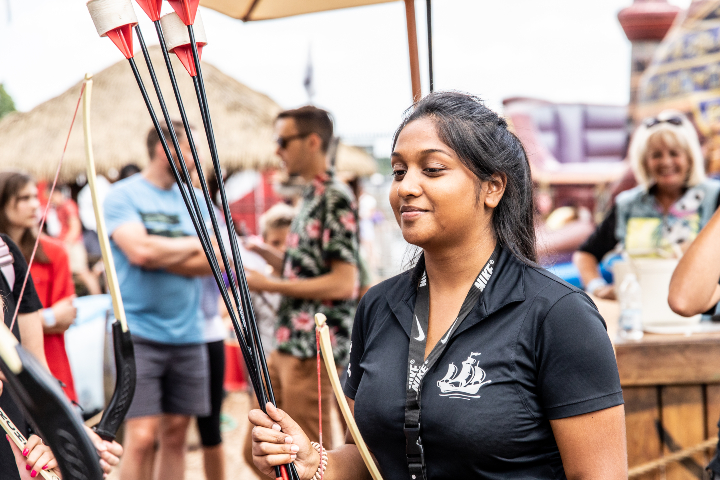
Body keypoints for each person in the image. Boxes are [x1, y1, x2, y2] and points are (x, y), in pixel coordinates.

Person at [249, 92, 627, 479]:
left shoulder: (559, 314)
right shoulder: (378, 306)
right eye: (398, 171)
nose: (405, 187)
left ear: (492, 187)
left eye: (432, 169)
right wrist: (314, 462)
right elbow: (366, 457)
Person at [243, 106, 360, 477]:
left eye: (283, 141)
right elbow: (308, 272)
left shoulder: (335, 196)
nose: (277, 150)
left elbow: (344, 282)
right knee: (259, 455)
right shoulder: (311, 195)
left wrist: (268, 282)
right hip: (288, 344)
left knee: (305, 461)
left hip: (312, 349)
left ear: (312, 142)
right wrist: (265, 254)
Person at [104, 120, 218, 480]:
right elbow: (138, 252)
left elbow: (217, 260)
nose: (196, 157)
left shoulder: (198, 200)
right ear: (162, 147)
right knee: (140, 438)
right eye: (189, 148)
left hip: (189, 334)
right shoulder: (123, 195)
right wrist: (194, 245)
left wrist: (160, 252)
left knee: (176, 435)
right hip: (138, 334)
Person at [573, 110, 720, 299]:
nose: (666, 162)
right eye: (656, 155)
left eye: (674, 153)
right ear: (645, 161)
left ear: (690, 158)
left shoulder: (714, 196)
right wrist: (598, 287)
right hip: (637, 310)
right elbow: (585, 253)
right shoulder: (628, 204)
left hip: (699, 313)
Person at [0, 171, 79, 403]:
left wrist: (18, 325)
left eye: (36, 196)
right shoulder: (7, 256)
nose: (35, 205)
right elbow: (57, 315)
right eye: (23, 198)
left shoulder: (54, 252)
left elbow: (67, 315)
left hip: (49, 365)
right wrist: (48, 318)